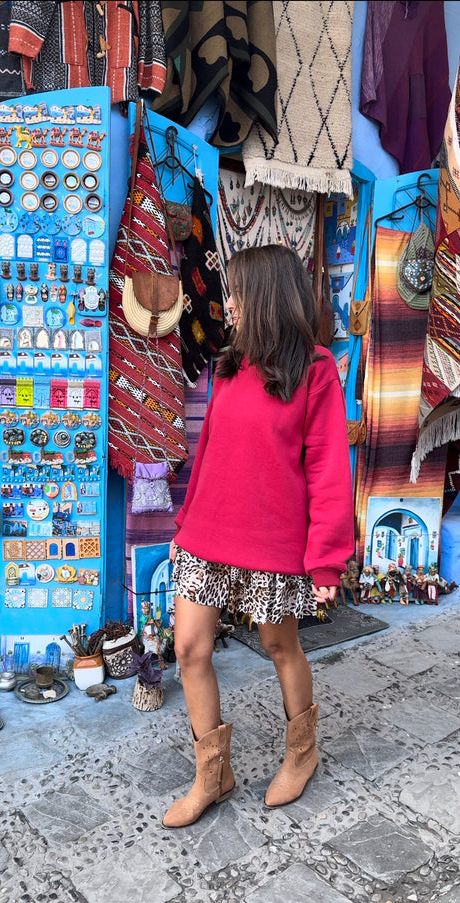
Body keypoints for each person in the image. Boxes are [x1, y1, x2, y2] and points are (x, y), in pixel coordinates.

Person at [163, 244, 355, 829]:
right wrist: (185, 523)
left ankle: (302, 751)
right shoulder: (228, 366)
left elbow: (327, 467)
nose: (229, 305)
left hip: (273, 541)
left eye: (238, 293)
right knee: (189, 649)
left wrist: (326, 561)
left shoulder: (315, 370)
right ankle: (212, 774)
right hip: (207, 535)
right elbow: (211, 454)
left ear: (267, 296)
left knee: (279, 646)